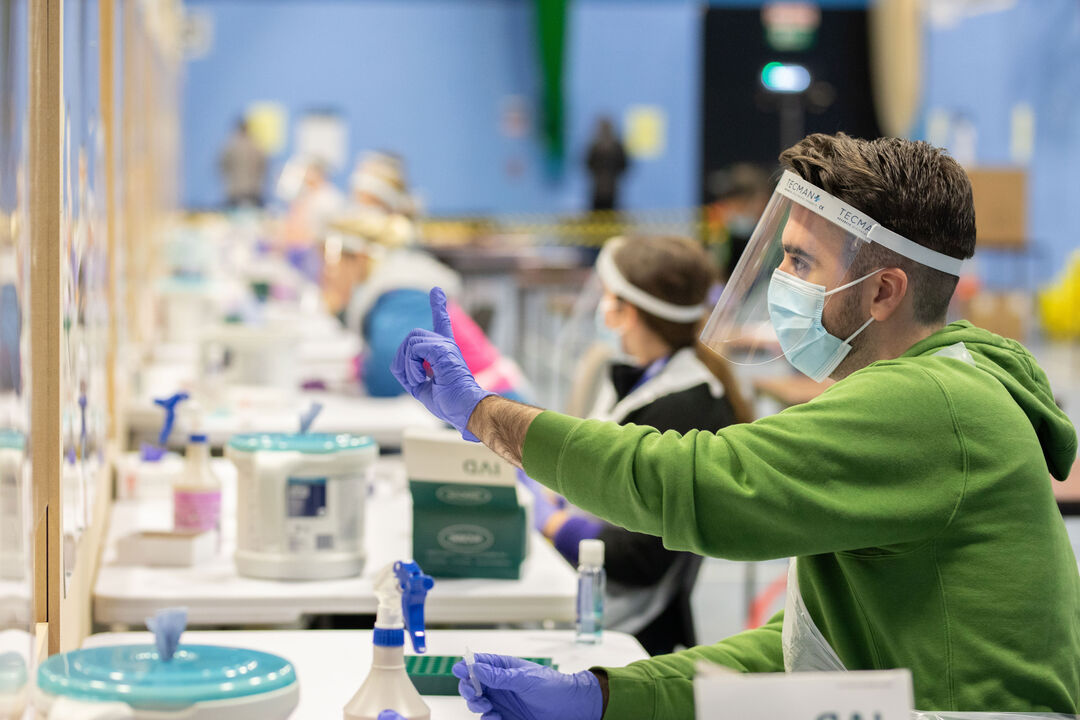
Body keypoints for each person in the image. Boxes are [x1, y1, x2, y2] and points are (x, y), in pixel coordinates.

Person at [391, 133, 1080, 718]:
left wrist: (488, 417)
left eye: (801, 262)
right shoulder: (937, 391)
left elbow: (699, 483)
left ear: (882, 292)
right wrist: (609, 697)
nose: (780, 278)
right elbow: (801, 657)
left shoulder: (933, 404)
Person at [524, 235, 753, 656]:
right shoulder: (641, 376)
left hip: (628, 631)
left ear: (627, 311)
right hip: (596, 600)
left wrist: (554, 525)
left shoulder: (687, 409)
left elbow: (642, 558)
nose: (601, 308)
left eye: (608, 297)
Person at [217, 118, 267, 208]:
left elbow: (222, 165)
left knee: (232, 218)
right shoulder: (256, 146)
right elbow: (263, 166)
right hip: (253, 189)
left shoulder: (230, 146)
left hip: (234, 190)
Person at [585, 117, 628, 212]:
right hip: (611, 189)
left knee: (598, 218)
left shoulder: (595, 146)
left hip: (598, 189)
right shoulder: (617, 146)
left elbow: (588, 164)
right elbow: (624, 165)